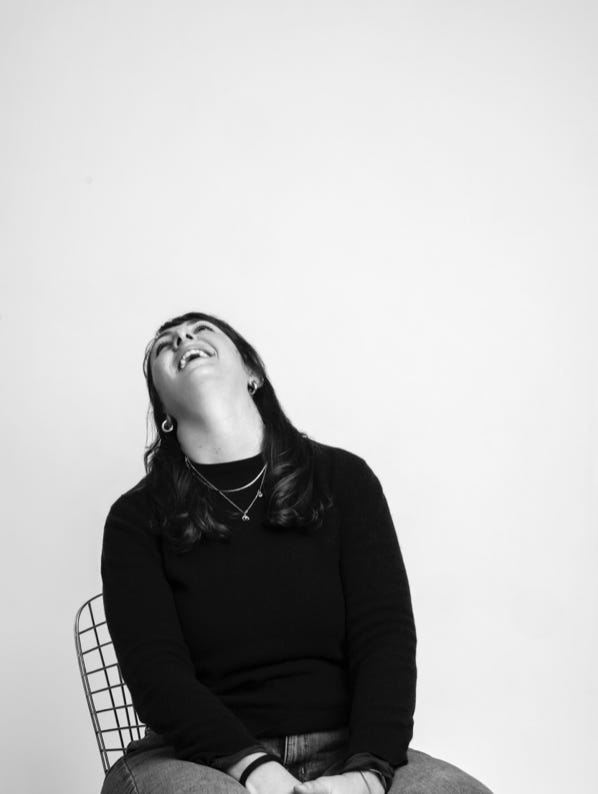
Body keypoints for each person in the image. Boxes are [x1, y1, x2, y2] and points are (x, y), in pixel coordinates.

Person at [100, 311, 493, 794]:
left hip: (348, 749)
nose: (182, 338)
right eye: (165, 345)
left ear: (252, 373)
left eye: (201, 331)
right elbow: (156, 675)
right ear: (162, 408)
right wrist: (258, 772)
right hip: (201, 760)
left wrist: (365, 777)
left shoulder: (343, 481)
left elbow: (385, 639)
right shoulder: (136, 519)